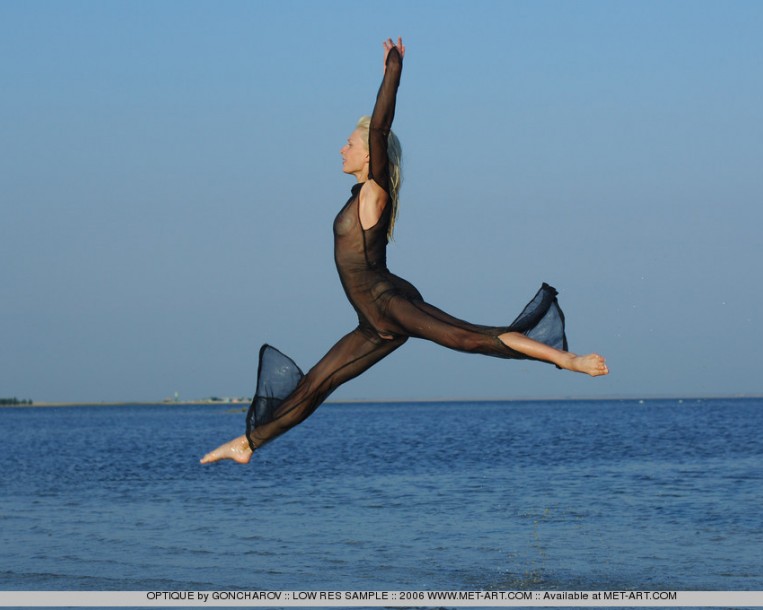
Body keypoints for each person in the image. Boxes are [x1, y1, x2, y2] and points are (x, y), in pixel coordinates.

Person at [201, 38, 608, 465]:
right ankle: (248, 445)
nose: (342, 149)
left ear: (368, 155)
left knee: (468, 337)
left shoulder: (374, 190)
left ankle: (568, 359)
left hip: (388, 302)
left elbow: (378, 127)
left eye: (349, 144)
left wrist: (392, 69)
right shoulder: (358, 193)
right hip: (372, 322)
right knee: (317, 383)